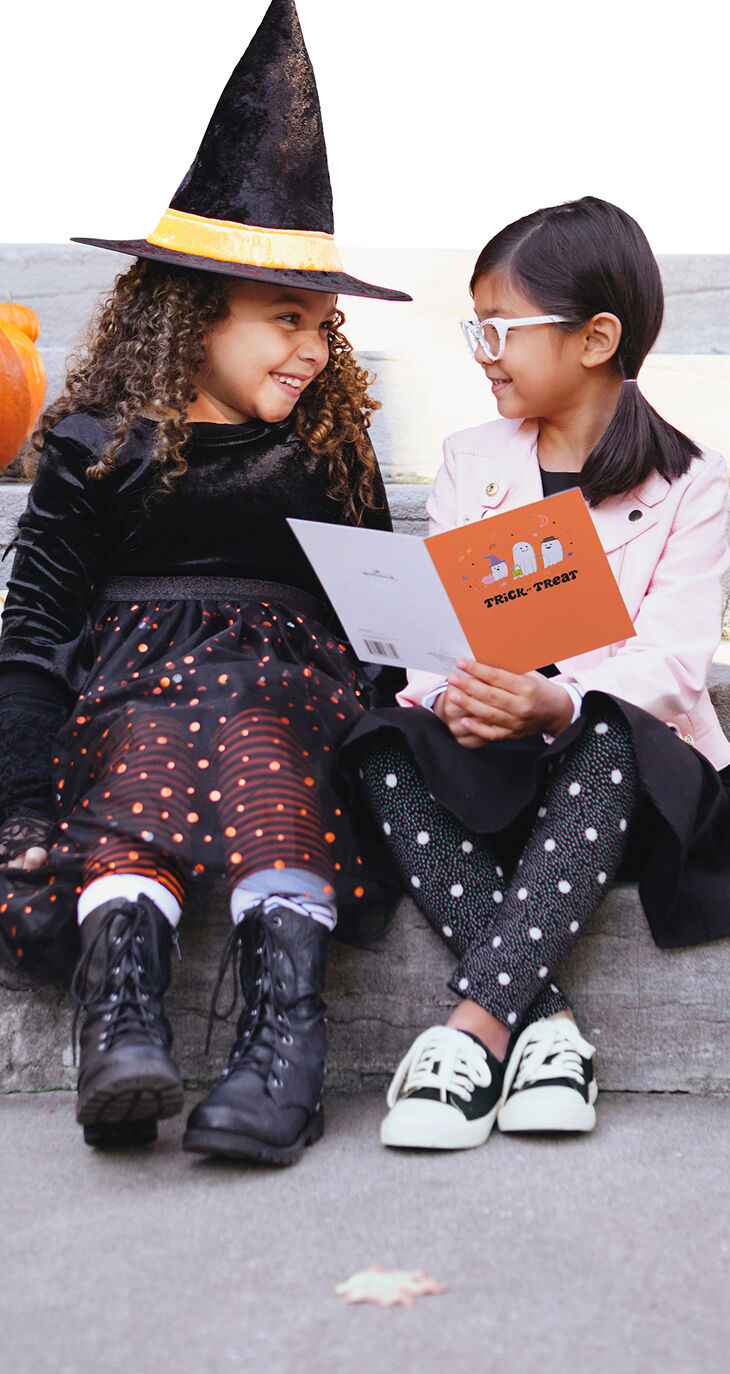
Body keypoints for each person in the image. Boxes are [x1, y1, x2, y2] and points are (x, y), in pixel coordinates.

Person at [0, 0, 409, 1161]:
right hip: (122, 700)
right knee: (144, 725)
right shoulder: (90, 440)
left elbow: (373, 601)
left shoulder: (326, 448)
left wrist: (397, 723)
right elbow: (36, 624)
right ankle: (120, 1010)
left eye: (327, 329)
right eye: (289, 319)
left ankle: (283, 1036)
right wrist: (22, 793)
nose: (313, 353)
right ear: (195, 314)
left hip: (293, 697)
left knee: (245, 717)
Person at [344, 195, 730, 1150]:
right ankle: (550, 1029)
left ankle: (471, 1031)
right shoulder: (471, 463)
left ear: (597, 337)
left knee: (607, 727)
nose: (482, 349)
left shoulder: (693, 483)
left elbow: (678, 666)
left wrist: (555, 702)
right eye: (474, 327)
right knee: (380, 739)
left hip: (627, 784)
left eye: (500, 328)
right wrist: (456, 697)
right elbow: (435, 638)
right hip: (496, 768)